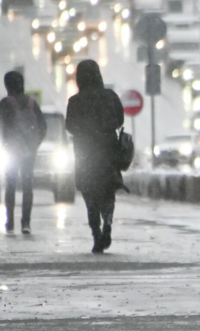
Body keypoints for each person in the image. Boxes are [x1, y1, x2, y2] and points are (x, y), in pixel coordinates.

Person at [65, 60, 124, 254]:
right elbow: (120, 120)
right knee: (108, 191)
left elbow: (70, 127)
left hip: (85, 153)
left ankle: (96, 232)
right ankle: (107, 221)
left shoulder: (74, 101)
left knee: (89, 194)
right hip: (108, 152)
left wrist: (86, 131)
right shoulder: (110, 97)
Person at [0, 71, 46, 234]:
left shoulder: (5, 103)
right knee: (27, 186)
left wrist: (4, 143)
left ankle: (9, 222)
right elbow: (43, 127)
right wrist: (34, 144)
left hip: (11, 151)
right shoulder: (32, 103)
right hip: (29, 151)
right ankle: (26, 223)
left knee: (10, 185)